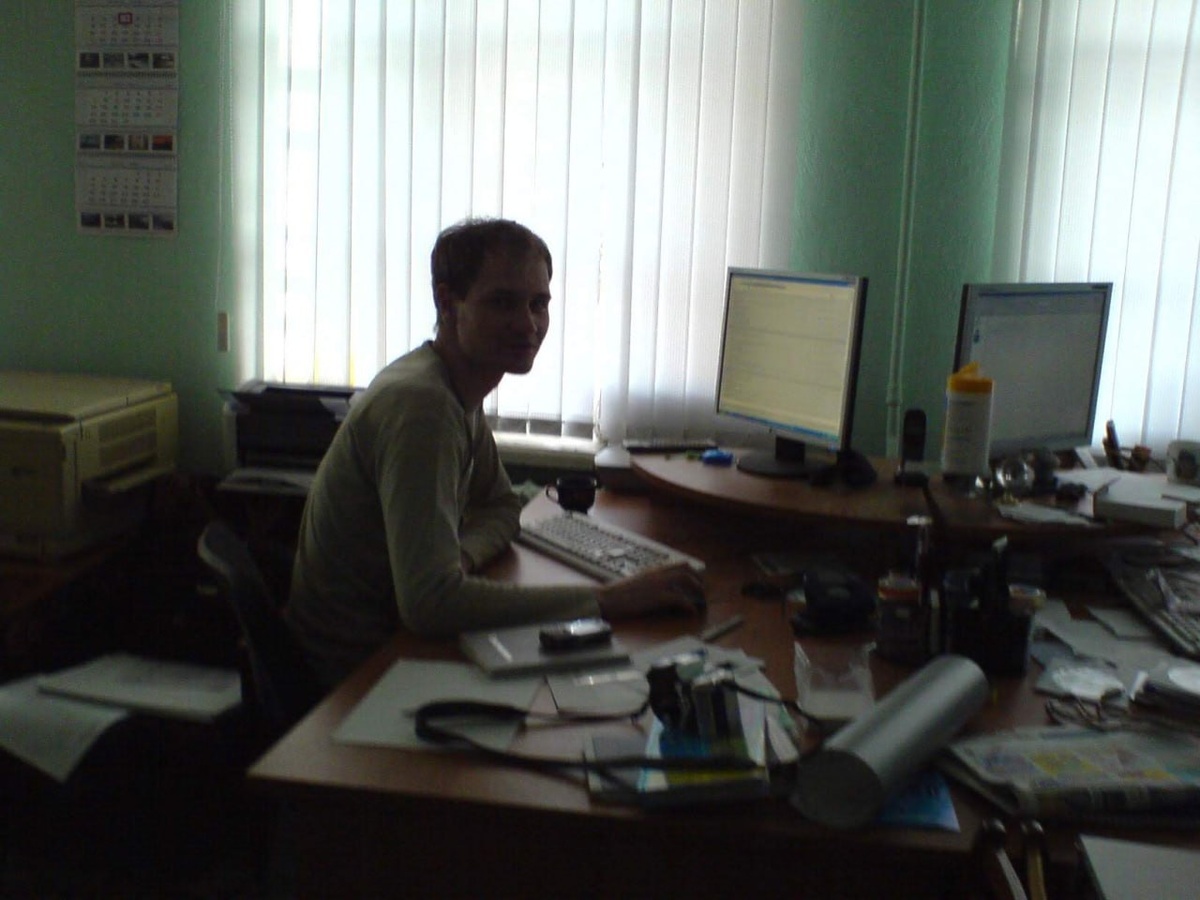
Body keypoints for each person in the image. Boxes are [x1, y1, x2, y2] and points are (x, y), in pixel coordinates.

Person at [286, 218, 703, 688]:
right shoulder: (423, 406)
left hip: (391, 641)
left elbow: (503, 506)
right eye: (503, 302)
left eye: (538, 304)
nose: (528, 324)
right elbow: (429, 604)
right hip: (352, 675)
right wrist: (608, 599)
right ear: (448, 303)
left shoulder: (454, 385)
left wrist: (460, 557)